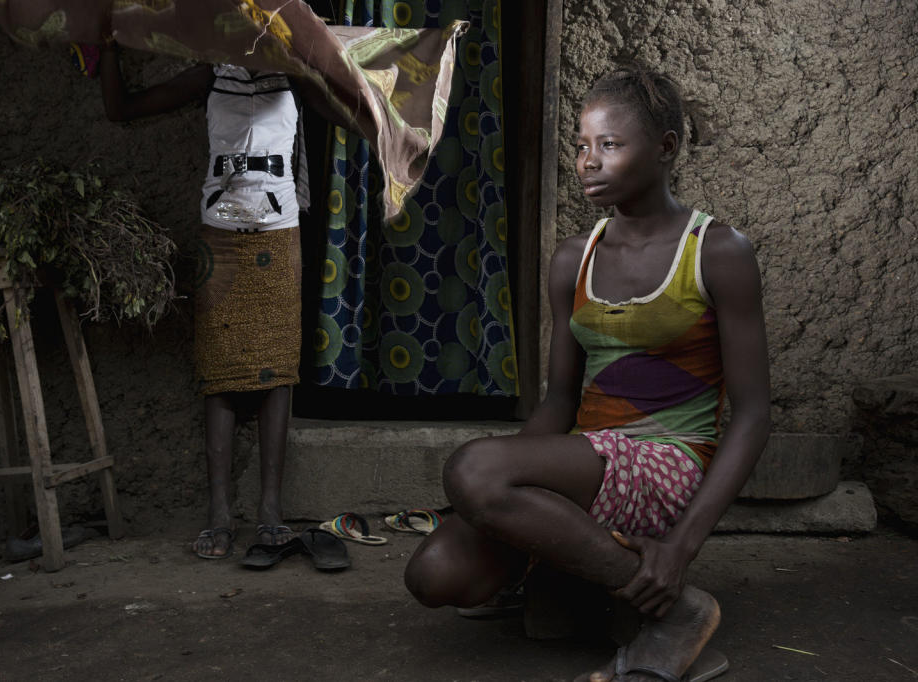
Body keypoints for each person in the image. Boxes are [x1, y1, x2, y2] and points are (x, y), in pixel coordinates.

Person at [403, 64, 771, 681]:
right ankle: (586, 578)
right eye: (581, 145)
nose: (588, 161)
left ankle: (671, 607)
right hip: (586, 459)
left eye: (610, 145)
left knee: (473, 467)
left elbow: (754, 414)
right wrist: (486, 498)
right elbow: (557, 401)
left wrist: (682, 547)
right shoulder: (575, 257)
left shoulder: (717, 252)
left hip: (666, 464)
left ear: (666, 148)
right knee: (433, 574)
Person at [98, 40, 342, 560]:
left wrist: (317, 66)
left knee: (278, 367)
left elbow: (350, 113)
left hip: (279, 229)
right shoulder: (211, 74)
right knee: (219, 366)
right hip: (221, 231)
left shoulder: (291, 74)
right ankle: (219, 514)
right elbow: (122, 110)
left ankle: (270, 512)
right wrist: (107, 47)